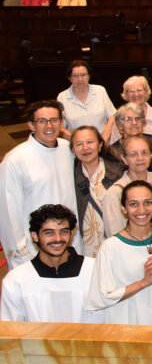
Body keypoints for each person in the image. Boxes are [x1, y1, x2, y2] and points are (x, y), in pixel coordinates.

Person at [84, 180, 152, 324]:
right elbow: (103, 296)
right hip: (132, 322)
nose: (141, 210)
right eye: (133, 204)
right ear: (124, 208)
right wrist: (144, 282)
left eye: (147, 203)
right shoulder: (110, 247)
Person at [0, 101, 78, 266]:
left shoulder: (68, 149)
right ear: (31, 125)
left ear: (61, 122)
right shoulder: (15, 160)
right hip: (33, 249)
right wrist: (21, 255)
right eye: (42, 121)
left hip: (69, 244)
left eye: (54, 120)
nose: (49, 126)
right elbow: (8, 213)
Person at [0, 204, 99, 322]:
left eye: (64, 232)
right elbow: (11, 333)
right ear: (35, 236)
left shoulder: (95, 270)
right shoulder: (17, 280)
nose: (58, 239)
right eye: (49, 233)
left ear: (71, 234)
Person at [70, 126, 125, 258]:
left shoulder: (118, 170)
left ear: (100, 145)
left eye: (90, 142)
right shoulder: (70, 176)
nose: (85, 148)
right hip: (86, 246)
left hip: (117, 240)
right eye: (79, 144)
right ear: (73, 149)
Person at [103, 134, 152, 236]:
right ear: (124, 158)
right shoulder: (115, 193)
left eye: (144, 153)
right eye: (133, 154)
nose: (140, 158)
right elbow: (114, 235)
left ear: (151, 155)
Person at [58, 60, 116, 139]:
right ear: (70, 78)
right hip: (78, 146)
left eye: (83, 75)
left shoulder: (100, 90)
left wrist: (103, 141)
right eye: (75, 76)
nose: (80, 79)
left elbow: (112, 117)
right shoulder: (62, 97)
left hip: (105, 142)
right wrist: (79, 141)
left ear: (89, 76)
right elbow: (60, 127)